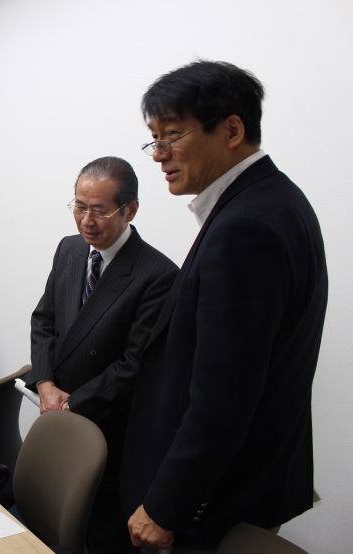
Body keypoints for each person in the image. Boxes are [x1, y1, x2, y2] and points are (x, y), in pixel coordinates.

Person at [121, 60, 328, 550]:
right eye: (154, 139)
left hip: (215, 498)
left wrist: (166, 503)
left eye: (171, 135)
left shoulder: (246, 227)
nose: (158, 155)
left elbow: (224, 397)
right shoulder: (277, 200)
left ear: (232, 129)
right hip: (239, 479)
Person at [25, 156, 178, 554]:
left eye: (99, 211)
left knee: (98, 532)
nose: (86, 221)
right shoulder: (70, 250)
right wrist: (44, 383)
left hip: (107, 427)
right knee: (48, 521)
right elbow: (44, 320)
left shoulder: (157, 274)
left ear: (130, 210)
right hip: (56, 408)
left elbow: (134, 365)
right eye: (79, 206)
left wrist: (71, 405)